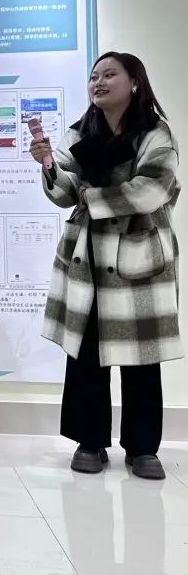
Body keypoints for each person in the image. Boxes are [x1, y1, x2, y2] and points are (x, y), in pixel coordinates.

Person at [30, 52, 181, 480]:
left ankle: (143, 449)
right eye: (94, 76)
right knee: (87, 354)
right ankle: (90, 441)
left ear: (135, 82)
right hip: (89, 258)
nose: (98, 82)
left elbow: (151, 190)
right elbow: (64, 191)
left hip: (139, 260)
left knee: (141, 359)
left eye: (109, 74)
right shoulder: (81, 132)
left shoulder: (155, 134)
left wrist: (90, 196)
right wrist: (48, 165)